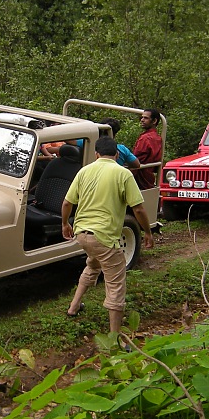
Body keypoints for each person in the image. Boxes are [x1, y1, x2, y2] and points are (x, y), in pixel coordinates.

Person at [61, 136, 154, 334]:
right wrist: (147, 232)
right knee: (115, 285)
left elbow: (68, 203)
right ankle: (114, 337)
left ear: (96, 154)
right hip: (103, 237)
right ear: (117, 154)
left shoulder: (84, 171)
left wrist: (64, 224)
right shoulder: (123, 173)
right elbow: (138, 209)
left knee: (93, 264)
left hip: (82, 234)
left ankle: (74, 307)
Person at [132, 108, 163, 190]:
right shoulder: (157, 137)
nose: (142, 120)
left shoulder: (145, 139)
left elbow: (135, 159)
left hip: (140, 179)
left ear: (154, 121)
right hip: (149, 177)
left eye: (146, 118)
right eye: (142, 117)